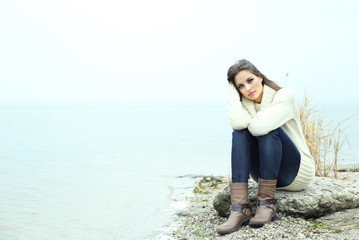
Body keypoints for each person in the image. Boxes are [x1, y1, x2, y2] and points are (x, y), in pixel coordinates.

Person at [216, 59, 315, 235]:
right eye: (240, 86)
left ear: (260, 78)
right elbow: (238, 124)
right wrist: (231, 90)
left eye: (250, 80)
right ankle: (239, 209)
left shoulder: (284, 95)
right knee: (239, 132)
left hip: (296, 172)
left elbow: (260, 127)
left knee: (267, 130)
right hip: (263, 173)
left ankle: (267, 204)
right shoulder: (244, 103)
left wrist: (251, 122)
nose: (247, 88)